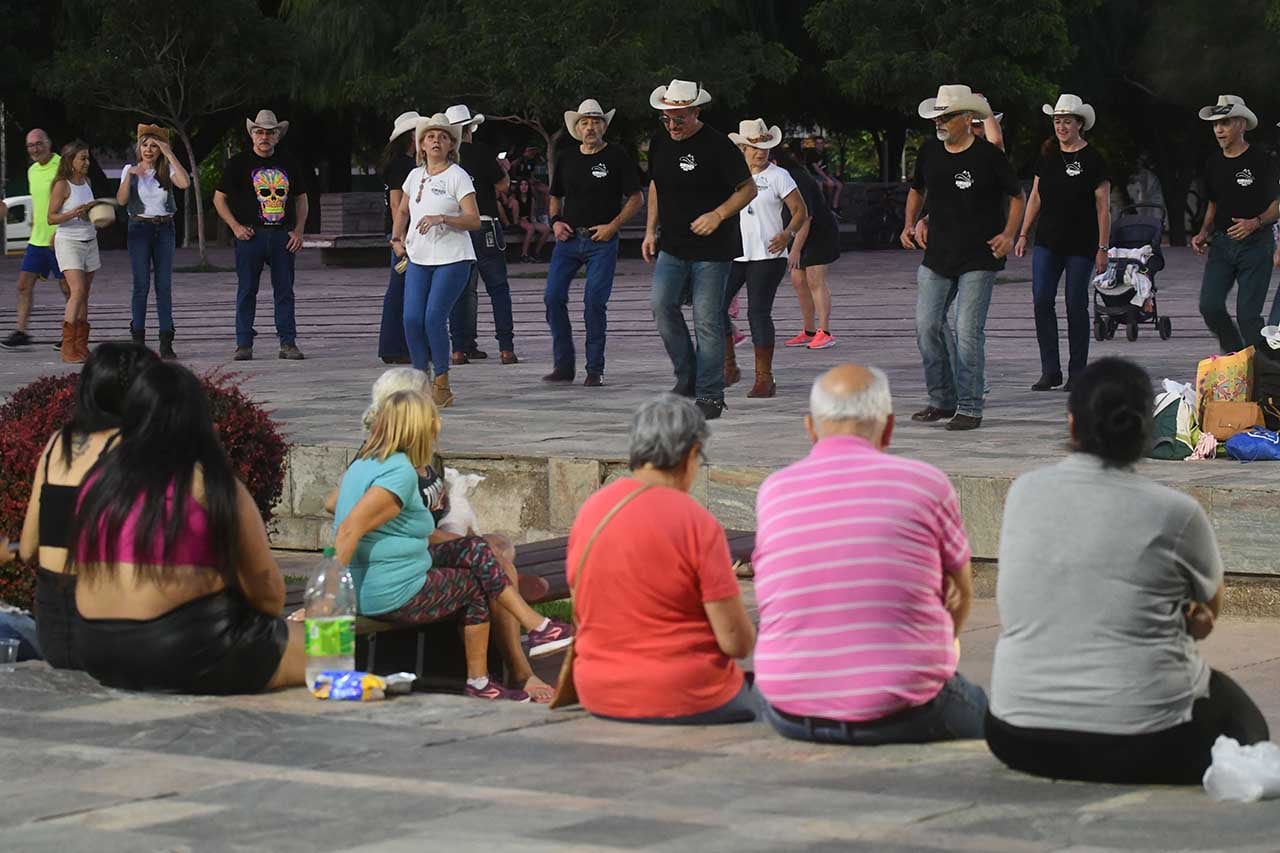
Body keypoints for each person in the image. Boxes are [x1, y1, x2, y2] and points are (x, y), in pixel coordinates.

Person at [987, 357, 1270, 784]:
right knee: (1240, 715)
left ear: (1071, 425)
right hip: (1142, 744)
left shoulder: (1024, 492)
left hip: (1016, 735)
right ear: (1147, 430)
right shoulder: (1176, 512)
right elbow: (1206, 616)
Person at [754, 364, 985, 744]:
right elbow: (960, 591)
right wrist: (938, 647)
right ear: (889, 427)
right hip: (905, 708)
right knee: (987, 713)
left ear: (810, 428)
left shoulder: (774, 491)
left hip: (789, 706)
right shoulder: (927, 484)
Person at [69, 361, 306, 693]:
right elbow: (268, 594)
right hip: (182, 648)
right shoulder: (207, 483)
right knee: (331, 645)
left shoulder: (98, 482)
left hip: (94, 646)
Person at [333, 388, 572, 702]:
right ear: (418, 428)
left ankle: (536, 629)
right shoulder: (399, 473)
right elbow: (350, 528)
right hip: (391, 591)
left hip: (383, 578)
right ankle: (484, 677)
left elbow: (347, 511)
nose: (437, 428)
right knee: (474, 585)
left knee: (478, 549)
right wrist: (329, 594)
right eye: (433, 421)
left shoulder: (365, 463)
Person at [567, 394, 759, 723]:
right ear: (692, 454)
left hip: (598, 689)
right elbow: (735, 643)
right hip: (684, 692)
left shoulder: (592, 510)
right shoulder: (695, 521)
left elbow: (581, 603)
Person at [18, 343, 158, 669]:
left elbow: (27, 549)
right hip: (108, 628)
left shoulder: (58, 444)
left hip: (53, 630)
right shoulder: (133, 449)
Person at [901, 84, 1025, 431]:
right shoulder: (929, 152)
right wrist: (911, 222)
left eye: (947, 116)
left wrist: (1009, 234)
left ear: (967, 118)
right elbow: (917, 189)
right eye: (937, 116)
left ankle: (970, 406)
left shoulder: (988, 156)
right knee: (927, 326)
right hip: (937, 254)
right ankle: (941, 400)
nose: (940, 122)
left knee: (968, 329)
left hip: (979, 255)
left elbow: (1017, 196)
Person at [644, 79, 757, 420]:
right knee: (662, 307)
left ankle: (711, 395)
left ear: (695, 111)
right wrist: (650, 230)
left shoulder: (718, 145)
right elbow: (655, 186)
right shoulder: (660, 142)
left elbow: (747, 189)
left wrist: (718, 214)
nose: (672, 125)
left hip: (713, 248)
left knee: (707, 321)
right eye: (666, 118)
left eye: (679, 118)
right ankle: (687, 376)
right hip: (673, 244)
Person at [542, 98, 644, 387]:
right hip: (569, 239)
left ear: (604, 126)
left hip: (602, 240)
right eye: (585, 122)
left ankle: (594, 368)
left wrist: (613, 226)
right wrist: (555, 222)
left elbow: (637, 199)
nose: (590, 127)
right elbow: (555, 196)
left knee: (594, 302)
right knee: (552, 297)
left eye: (595, 122)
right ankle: (563, 364)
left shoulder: (617, 156)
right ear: (577, 127)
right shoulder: (566, 157)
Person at [1015, 95, 1110, 392]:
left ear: (1080, 124)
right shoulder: (1047, 156)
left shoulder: (1094, 159)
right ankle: (1050, 370)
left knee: (1075, 304)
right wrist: (1022, 233)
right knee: (1042, 300)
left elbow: (1103, 208)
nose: (1061, 126)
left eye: (1067, 121)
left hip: (1081, 244)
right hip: (1047, 242)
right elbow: (1035, 197)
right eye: (1057, 121)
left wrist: (1103, 248)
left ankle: (1077, 372)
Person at [390, 113, 480, 408]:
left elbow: (473, 220)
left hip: (453, 258)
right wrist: (396, 238)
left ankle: (442, 382)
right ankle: (420, 379)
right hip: (419, 256)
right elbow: (403, 210)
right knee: (411, 318)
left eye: (443, 136)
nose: (436, 141)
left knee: (433, 317)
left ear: (451, 144)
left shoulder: (457, 175)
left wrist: (443, 217)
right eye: (430, 136)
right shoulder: (414, 176)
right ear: (421, 145)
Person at [213, 109, 309, 361]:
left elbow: (301, 198)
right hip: (250, 236)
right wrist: (234, 226)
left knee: (285, 291)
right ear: (252, 135)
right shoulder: (238, 164)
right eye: (259, 132)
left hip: (282, 236)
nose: (264, 137)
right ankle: (243, 342)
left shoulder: (289, 162)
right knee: (246, 289)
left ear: (277, 136)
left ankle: (288, 342)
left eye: (269, 132)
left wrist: (298, 230)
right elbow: (219, 198)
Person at [723, 119, 808, 398]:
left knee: (757, 312)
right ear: (743, 149)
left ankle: (764, 378)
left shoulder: (778, 175)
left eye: (766, 147)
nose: (761, 152)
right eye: (755, 147)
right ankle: (728, 365)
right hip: (734, 252)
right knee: (714, 307)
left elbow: (800, 211)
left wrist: (788, 234)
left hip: (767, 255)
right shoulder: (730, 174)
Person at [1191, 95, 1278, 353]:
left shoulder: (1263, 159)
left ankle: (1262, 375)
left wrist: (1256, 222)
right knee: (1210, 305)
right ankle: (1237, 355)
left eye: (1225, 123)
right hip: (1221, 244)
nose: (1219, 129)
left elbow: (1277, 204)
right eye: (1216, 124)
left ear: (1241, 124)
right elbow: (1213, 202)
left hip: (1256, 245)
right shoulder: (1213, 162)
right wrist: (1203, 232)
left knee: (1249, 317)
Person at [446, 105, 518, 366]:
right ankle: (506, 348)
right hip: (485, 224)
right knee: (498, 287)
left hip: (457, 228)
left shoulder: (445, 158)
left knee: (461, 291)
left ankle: (460, 348)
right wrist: (503, 169)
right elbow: (502, 184)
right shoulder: (482, 151)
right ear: (469, 129)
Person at [117, 123, 191, 360]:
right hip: (139, 228)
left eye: (154, 146)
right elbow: (121, 200)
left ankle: (166, 340)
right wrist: (129, 177)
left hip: (164, 228)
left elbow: (185, 183)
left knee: (164, 286)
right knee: (141, 285)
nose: (149, 150)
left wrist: (169, 153)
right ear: (139, 147)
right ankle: (138, 341)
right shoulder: (130, 168)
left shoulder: (166, 168)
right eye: (145, 144)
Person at [2, 129, 70, 351]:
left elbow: (71, 198)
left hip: (59, 238)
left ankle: (71, 334)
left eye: (38, 144)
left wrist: (59, 230)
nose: (35, 149)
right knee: (23, 286)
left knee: (68, 288)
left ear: (49, 143)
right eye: (30, 145)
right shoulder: (32, 170)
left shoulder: (63, 166)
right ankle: (21, 331)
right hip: (37, 240)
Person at [775, 146, 841, 349]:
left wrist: (794, 250)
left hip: (819, 232)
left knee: (814, 279)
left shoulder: (797, 178)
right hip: (797, 233)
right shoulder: (770, 177)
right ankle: (809, 330)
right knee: (797, 280)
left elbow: (806, 218)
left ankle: (825, 331)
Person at [47, 140, 103, 364]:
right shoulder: (62, 184)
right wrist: (72, 213)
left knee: (85, 294)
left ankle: (81, 345)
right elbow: (51, 217)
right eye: (83, 158)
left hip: (90, 240)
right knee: (77, 291)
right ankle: (67, 346)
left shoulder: (87, 181)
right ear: (70, 161)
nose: (87, 162)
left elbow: (87, 213)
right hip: (69, 242)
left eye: (88, 158)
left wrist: (95, 214)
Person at [377, 111, 420, 365]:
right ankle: (394, 345)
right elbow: (396, 203)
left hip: (401, 232)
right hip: (402, 234)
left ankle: (397, 345)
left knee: (401, 288)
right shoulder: (402, 165)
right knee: (400, 288)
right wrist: (399, 237)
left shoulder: (398, 163)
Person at [516, 179, 552, 263]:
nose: (524, 187)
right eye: (521, 185)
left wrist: (534, 221)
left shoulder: (531, 199)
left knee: (546, 229)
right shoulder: (515, 198)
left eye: (526, 185)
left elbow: (532, 215)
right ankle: (523, 254)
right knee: (531, 228)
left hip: (529, 219)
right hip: (519, 220)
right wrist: (521, 219)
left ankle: (536, 252)